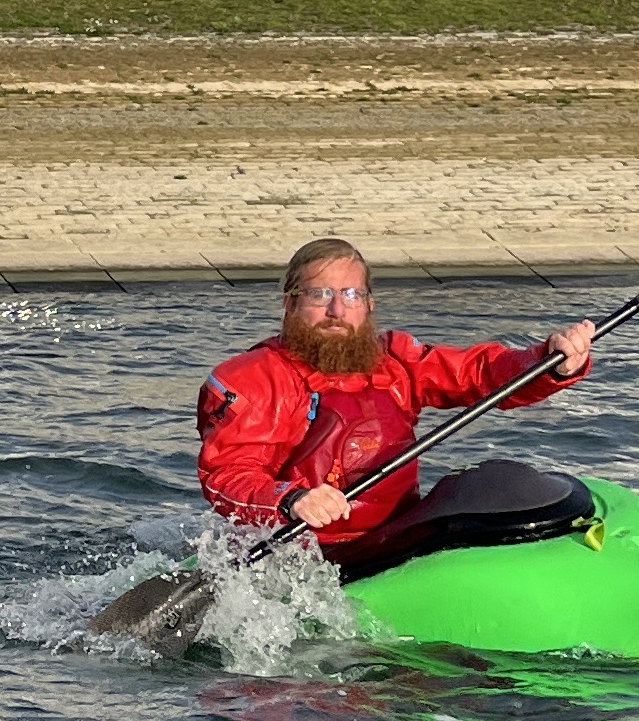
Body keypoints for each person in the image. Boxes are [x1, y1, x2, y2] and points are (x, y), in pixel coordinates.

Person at [196, 237, 596, 577]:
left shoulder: (397, 360)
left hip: (395, 541)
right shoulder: (254, 379)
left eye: (351, 295)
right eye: (320, 295)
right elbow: (227, 478)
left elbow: (480, 374)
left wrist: (549, 362)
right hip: (303, 556)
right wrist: (291, 499)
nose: (337, 310)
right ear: (290, 303)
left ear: (368, 304)